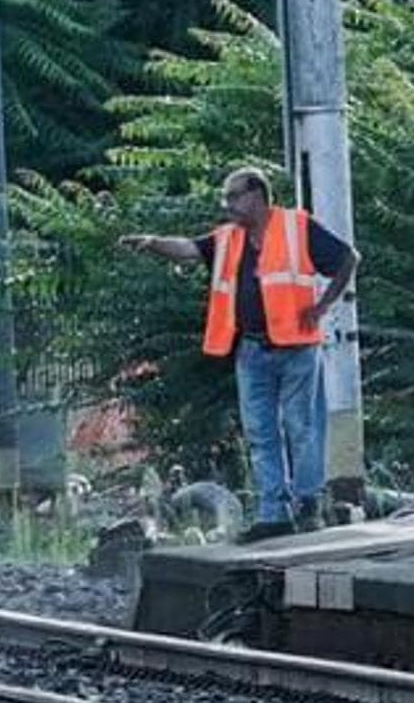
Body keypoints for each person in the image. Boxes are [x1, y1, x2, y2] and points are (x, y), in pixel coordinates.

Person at [119, 166, 359, 541]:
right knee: (261, 434)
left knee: (302, 428)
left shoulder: (297, 227)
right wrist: (151, 241)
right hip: (252, 349)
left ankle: (308, 506)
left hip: (297, 346)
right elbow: (188, 250)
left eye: (233, 196)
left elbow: (347, 259)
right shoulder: (229, 239)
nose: (227, 204)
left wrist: (324, 304)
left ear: (258, 195)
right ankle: (273, 514)